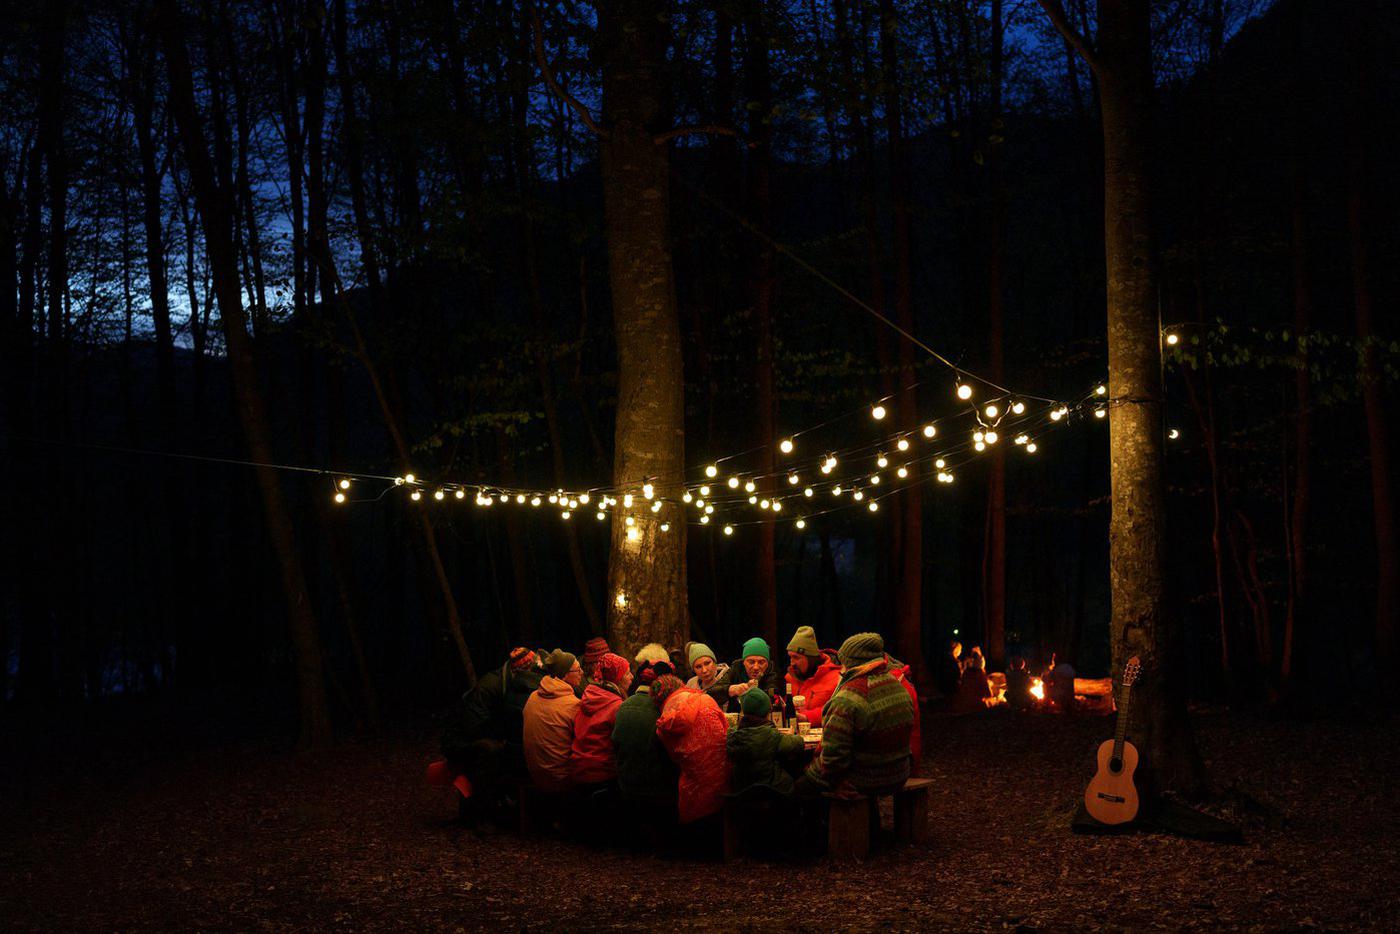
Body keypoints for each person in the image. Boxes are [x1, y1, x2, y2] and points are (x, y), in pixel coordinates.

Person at [797, 633, 915, 797]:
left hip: (865, 779)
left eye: (843, 662)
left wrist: (833, 781)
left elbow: (834, 757)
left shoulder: (849, 697)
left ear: (851, 662)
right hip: (899, 774)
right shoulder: (899, 686)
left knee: (798, 788)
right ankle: (871, 822)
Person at [438, 647, 543, 823]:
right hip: (461, 739)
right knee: (491, 751)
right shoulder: (491, 685)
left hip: (484, 731)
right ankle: (483, 815)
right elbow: (473, 725)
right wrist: (503, 736)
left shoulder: (512, 682)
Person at [652, 674, 731, 824]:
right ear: (680, 686)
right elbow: (726, 734)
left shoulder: (663, 724)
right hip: (723, 784)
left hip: (692, 793)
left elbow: (675, 758)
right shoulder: (705, 700)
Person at [612, 659, 680, 806]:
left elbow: (616, 746)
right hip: (656, 792)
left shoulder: (623, 705)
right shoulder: (662, 709)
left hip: (626, 788)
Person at [726, 687, 806, 794]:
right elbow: (798, 743)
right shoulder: (770, 735)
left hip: (742, 794)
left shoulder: (733, 734)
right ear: (767, 712)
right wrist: (791, 734)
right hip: (773, 792)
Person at [522, 650, 582, 792]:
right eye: (578, 670)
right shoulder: (573, 705)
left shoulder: (532, 697)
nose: (582, 673)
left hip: (535, 775)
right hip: (562, 780)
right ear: (565, 675)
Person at [570, 653, 632, 787]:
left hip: (577, 768)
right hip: (602, 774)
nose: (632, 677)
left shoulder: (588, 695)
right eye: (627, 674)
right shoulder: (617, 706)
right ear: (618, 679)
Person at [783, 626, 842, 727]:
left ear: (811, 658)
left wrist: (807, 717)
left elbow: (837, 710)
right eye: (790, 657)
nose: (792, 663)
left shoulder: (836, 678)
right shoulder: (790, 678)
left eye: (796, 658)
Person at [711, 637, 784, 714]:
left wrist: (754, 691)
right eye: (751, 662)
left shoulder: (772, 671)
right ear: (743, 662)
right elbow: (711, 694)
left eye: (761, 662)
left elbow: (773, 700)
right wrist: (730, 690)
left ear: (767, 663)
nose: (756, 667)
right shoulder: (736, 668)